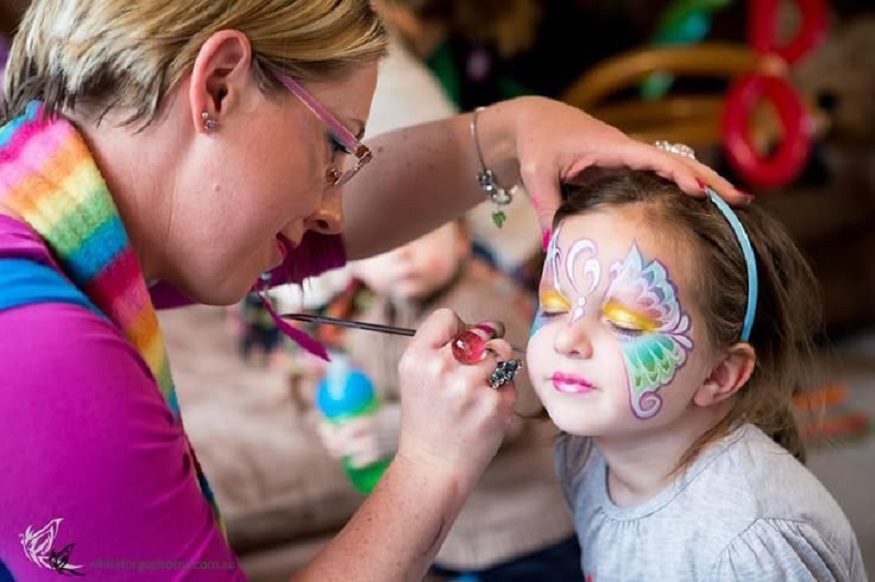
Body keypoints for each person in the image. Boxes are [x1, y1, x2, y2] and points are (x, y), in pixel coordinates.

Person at [0, 1, 742, 580]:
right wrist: (429, 467)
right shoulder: (38, 352)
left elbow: (322, 227)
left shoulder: (44, 204)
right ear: (218, 85)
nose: (330, 207)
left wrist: (513, 133)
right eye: (332, 149)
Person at [526, 167, 867, 580]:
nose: (567, 339)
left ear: (719, 374)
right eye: (554, 306)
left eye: (626, 324)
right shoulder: (582, 455)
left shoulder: (749, 546)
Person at [312, 218, 582, 581]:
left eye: (421, 234)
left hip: (524, 531)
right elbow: (364, 396)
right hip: (452, 536)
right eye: (384, 244)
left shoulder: (485, 313)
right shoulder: (371, 324)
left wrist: (391, 429)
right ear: (354, 262)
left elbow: (514, 411)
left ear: (461, 240)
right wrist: (345, 429)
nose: (403, 253)